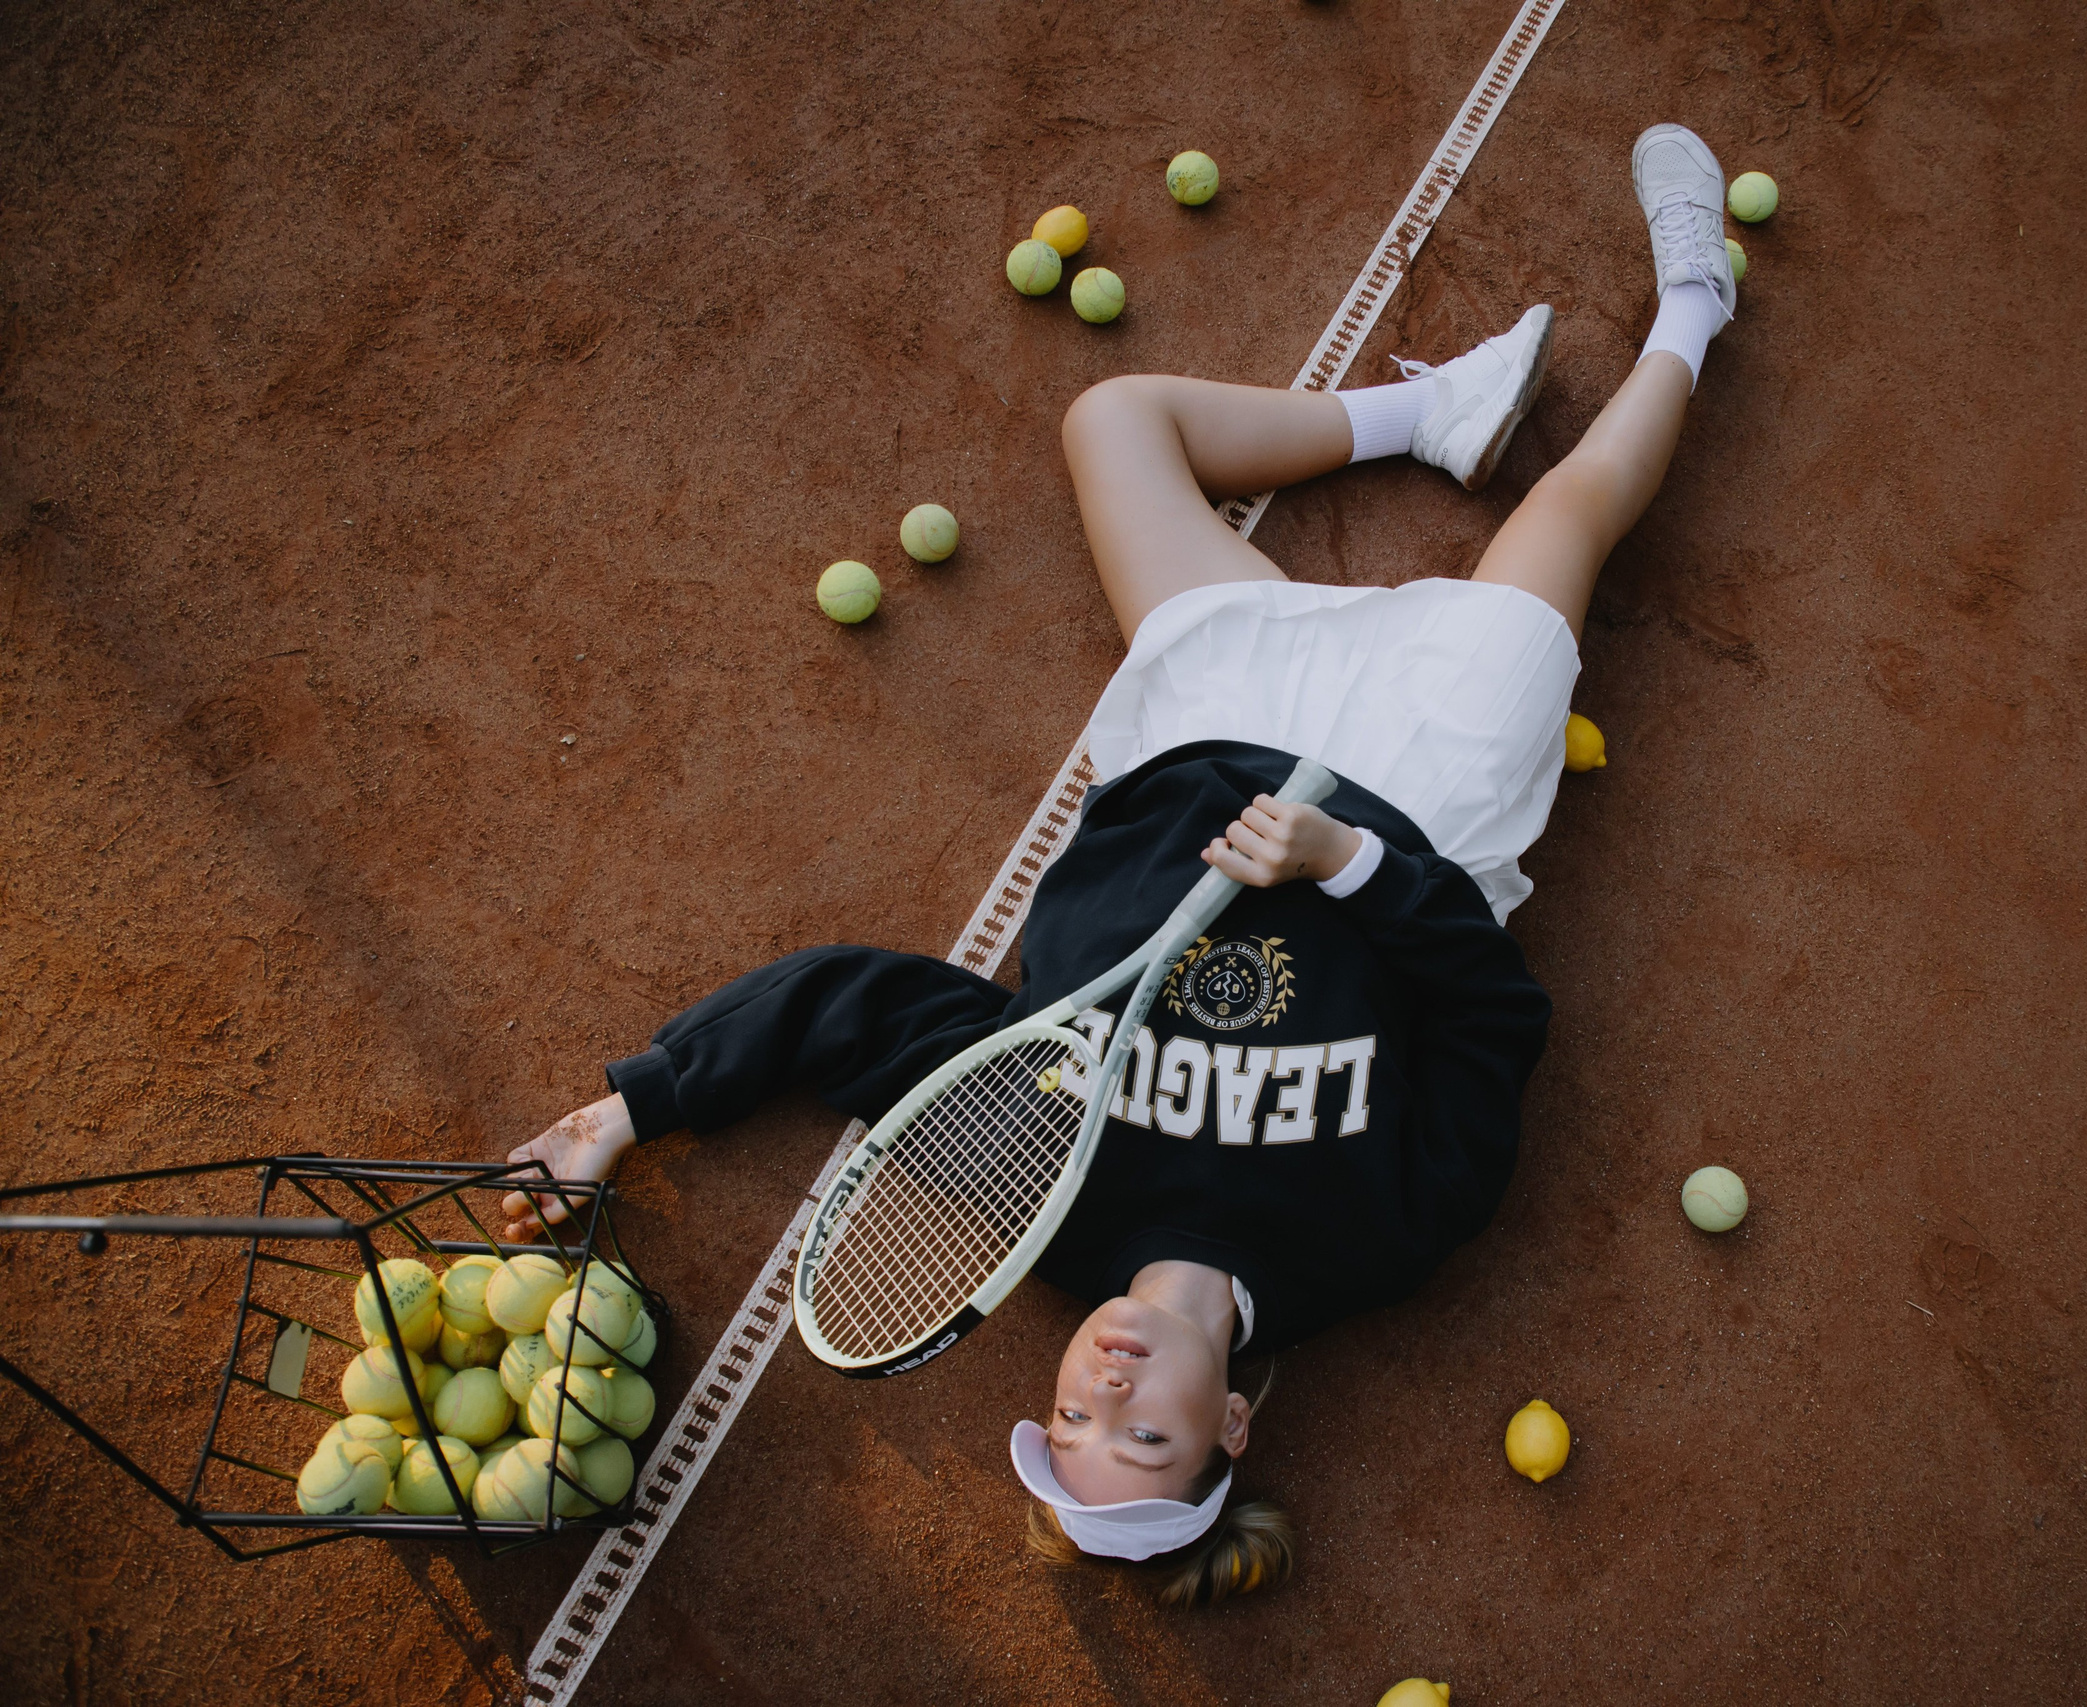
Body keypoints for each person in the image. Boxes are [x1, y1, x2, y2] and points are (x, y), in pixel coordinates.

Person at [496, 123, 1739, 1607]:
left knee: (1112, 423)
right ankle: (1695, 307)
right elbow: (1496, 1022)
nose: (1102, 1386)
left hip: (1199, 743)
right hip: (1424, 788)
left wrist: (628, 1105)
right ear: (1232, 1423)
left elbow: (860, 1016)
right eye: (1141, 1435)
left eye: (1072, 1417)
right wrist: (1347, 866)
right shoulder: (1387, 1241)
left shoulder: (1043, 1214)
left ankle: (1431, 420)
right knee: (1570, 518)